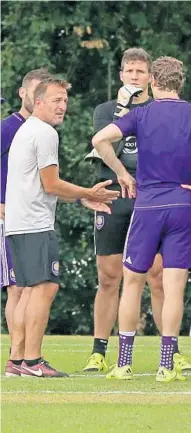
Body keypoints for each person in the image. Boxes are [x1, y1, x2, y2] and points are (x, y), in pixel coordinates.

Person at [92, 56, 191, 382]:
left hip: (147, 206)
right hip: (182, 206)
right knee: (173, 287)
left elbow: (99, 140)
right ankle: (167, 363)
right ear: (181, 82)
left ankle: (123, 363)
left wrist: (122, 173)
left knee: (132, 282)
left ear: (152, 82)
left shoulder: (141, 113)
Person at [4, 76, 120, 377]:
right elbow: (51, 184)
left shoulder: (28, 130)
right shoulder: (43, 133)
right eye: (56, 100)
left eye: (65, 100)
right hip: (34, 224)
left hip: (19, 223)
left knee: (29, 290)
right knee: (45, 287)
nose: (62, 106)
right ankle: (32, 361)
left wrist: (81, 201)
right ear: (38, 102)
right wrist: (88, 192)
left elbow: (38, 186)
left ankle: (17, 362)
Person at [1, 68, 51, 357]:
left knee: (33, 286)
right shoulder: (9, 127)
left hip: (31, 217)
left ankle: (23, 354)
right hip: (9, 219)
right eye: (35, 91)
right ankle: (17, 355)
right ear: (23, 93)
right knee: (17, 288)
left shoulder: (41, 129)